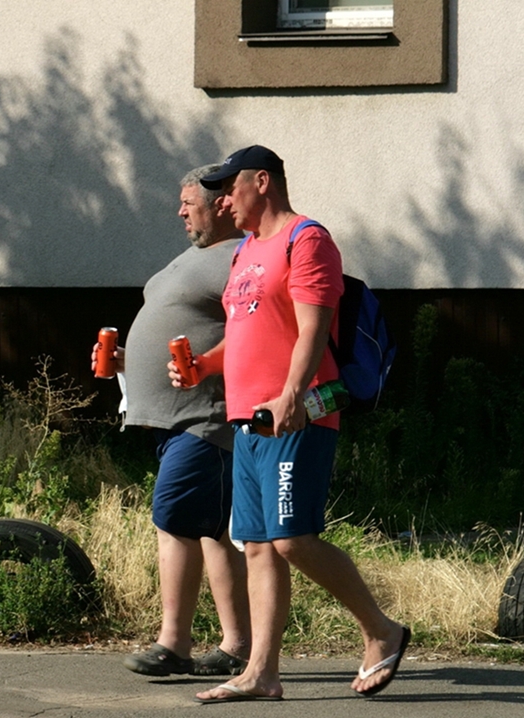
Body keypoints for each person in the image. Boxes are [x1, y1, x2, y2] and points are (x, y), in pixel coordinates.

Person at [171, 146, 410, 702]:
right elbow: (247, 333)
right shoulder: (247, 251)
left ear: (264, 181)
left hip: (297, 416)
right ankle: (262, 673)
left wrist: (291, 395)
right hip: (247, 419)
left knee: (292, 540)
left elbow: (312, 327)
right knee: (257, 545)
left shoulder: (308, 240)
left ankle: (381, 630)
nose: (224, 199)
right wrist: (204, 367)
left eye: (232, 187)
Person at [91, 164, 251, 677]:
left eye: (189, 202)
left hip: (209, 417)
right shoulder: (195, 256)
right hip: (171, 419)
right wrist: (127, 363)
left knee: (173, 518)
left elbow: (257, 333)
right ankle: (236, 647)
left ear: (222, 203)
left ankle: (174, 644)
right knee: (213, 532)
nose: (179, 211)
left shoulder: (242, 259)